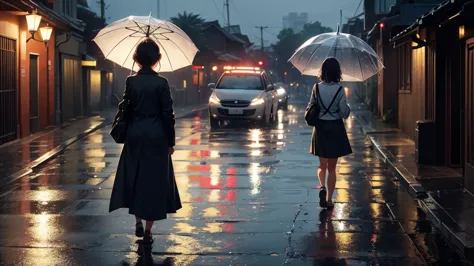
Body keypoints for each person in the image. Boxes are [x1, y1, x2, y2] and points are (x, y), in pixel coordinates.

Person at [109, 38, 181, 244]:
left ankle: (137, 221)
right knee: (154, 182)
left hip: (134, 134)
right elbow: (168, 114)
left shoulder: (130, 81)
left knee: (135, 176)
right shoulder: (162, 83)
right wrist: (170, 142)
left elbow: (127, 109)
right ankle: (148, 230)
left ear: (136, 59)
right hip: (157, 136)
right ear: (158, 59)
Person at [309, 57, 352, 209]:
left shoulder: (316, 88)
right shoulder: (340, 90)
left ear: (323, 71)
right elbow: (344, 113)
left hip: (320, 127)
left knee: (322, 165)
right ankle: (329, 200)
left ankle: (322, 187)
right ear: (337, 72)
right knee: (332, 168)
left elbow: (311, 106)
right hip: (335, 128)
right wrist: (347, 106)